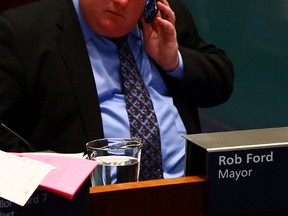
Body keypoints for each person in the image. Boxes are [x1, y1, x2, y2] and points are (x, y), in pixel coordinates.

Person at [0, 0, 233, 179]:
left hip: (185, 192)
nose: (121, 2)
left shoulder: (163, 18)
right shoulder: (24, 32)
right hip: (90, 201)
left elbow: (221, 84)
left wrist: (174, 62)